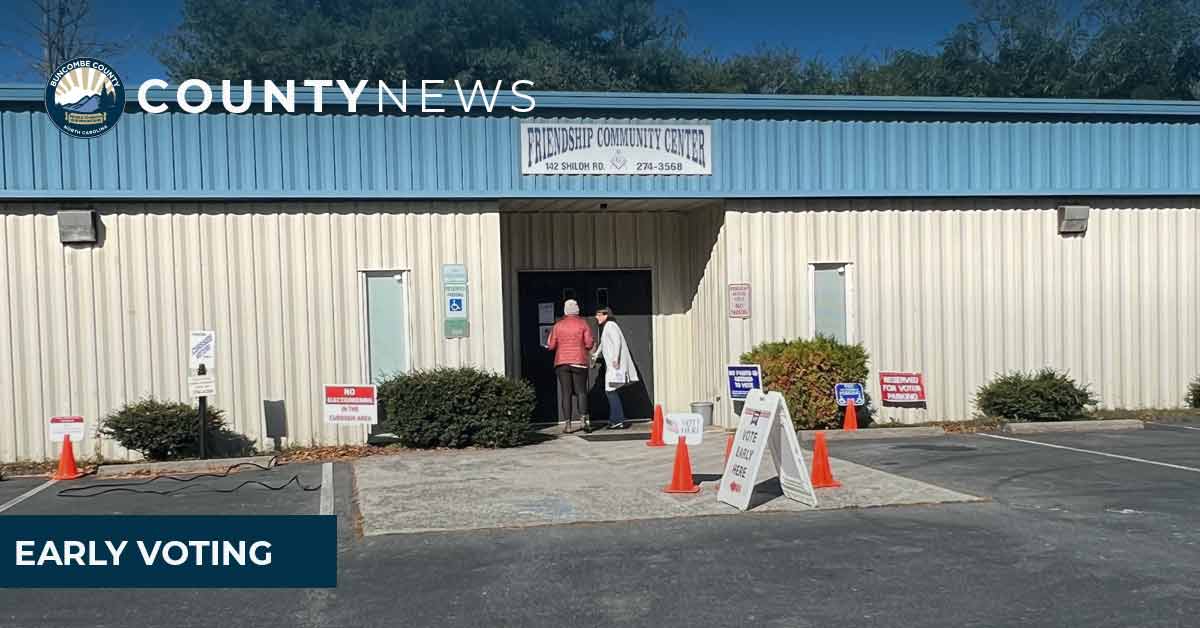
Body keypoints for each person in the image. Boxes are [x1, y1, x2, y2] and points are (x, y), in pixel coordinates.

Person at [546, 299, 594, 432]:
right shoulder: (583, 324)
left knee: (566, 393)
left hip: (562, 362)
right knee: (581, 391)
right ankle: (584, 421)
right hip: (579, 361)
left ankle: (568, 425)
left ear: (565, 311)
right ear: (577, 310)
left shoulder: (558, 325)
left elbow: (551, 345)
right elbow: (589, 343)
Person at [592, 307, 639, 429]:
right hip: (613, 365)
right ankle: (615, 419)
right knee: (611, 391)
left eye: (598, 315)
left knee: (610, 391)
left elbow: (617, 341)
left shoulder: (610, 326)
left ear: (605, 315)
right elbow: (603, 343)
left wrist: (615, 359)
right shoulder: (608, 326)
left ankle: (618, 419)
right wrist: (596, 354)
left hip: (615, 365)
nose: (596, 317)